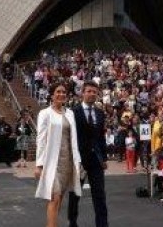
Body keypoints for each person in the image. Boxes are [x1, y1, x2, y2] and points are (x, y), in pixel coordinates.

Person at [35, 82, 82, 227]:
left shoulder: (70, 113)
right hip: (51, 162)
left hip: (67, 161)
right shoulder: (45, 114)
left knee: (60, 197)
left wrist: (77, 161)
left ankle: (51, 224)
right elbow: (41, 139)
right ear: (52, 94)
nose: (61, 94)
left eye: (64, 92)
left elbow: (74, 139)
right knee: (54, 197)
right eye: (58, 91)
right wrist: (39, 164)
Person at [68, 80, 109, 227]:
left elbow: (101, 137)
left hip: (96, 161)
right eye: (89, 91)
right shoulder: (72, 113)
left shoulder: (100, 113)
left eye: (94, 92)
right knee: (75, 195)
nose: (92, 94)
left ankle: (102, 224)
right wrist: (73, 159)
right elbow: (70, 138)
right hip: (79, 161)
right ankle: (72, 222)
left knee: (100, 196)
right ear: (82, 93)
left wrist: (104, 158)